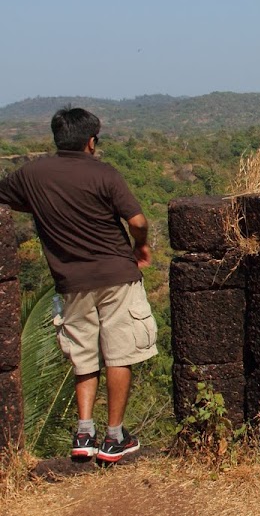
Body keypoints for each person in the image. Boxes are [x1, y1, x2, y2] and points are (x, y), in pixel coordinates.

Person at [0, 107, 155, 463]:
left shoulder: (32, 174)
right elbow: (137, 219)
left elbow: (7, 197)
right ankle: (114, 437)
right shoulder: (104, 174)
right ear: (91, 141)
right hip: (117, 275)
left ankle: (84, 432)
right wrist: (141, 244)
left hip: (70, 280)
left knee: (83, 354)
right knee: (120, 352)